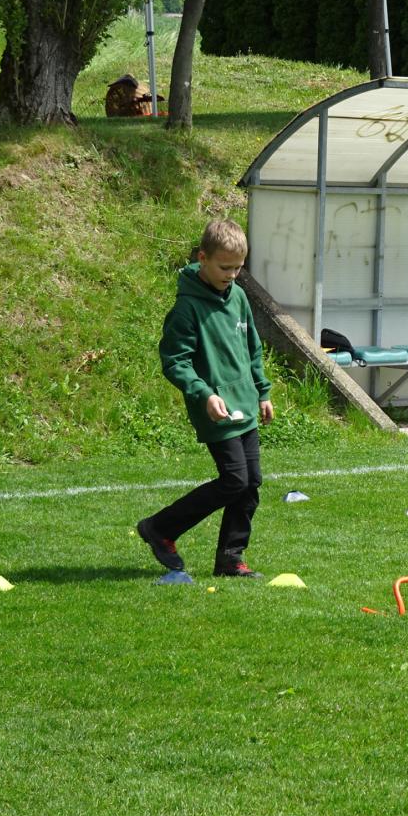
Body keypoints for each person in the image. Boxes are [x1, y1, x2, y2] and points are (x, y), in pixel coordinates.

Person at [137, 220, 274, 577]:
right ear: (202, 259)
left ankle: (230, 558)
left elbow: (252, 348)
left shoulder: (239, 297)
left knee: (250, 483)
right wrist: (204, 394)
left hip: (245, 403)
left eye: (238, 268)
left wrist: (262, 391)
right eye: (225, 267)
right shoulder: (187, 308)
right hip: (216, 409)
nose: (232, 275)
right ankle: (160, 528)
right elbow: (175, 361)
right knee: (234, 480)